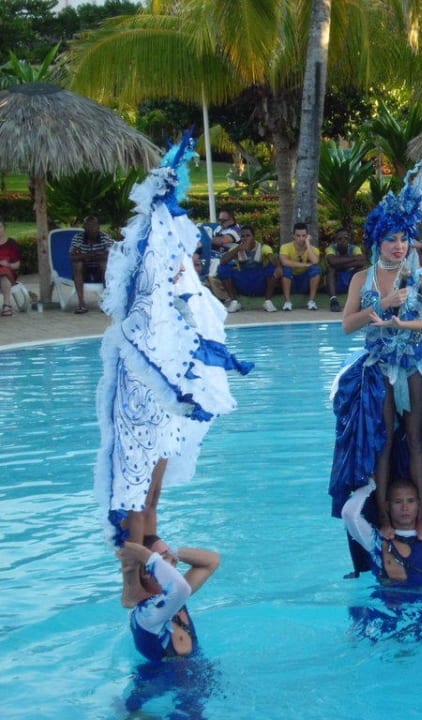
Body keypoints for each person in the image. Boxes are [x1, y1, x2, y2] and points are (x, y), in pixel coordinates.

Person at [94, 137, 251, 605]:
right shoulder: (148, 267)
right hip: (141, 392)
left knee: (152, 491)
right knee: (136, 488)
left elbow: (193, 318)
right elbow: (136, 316)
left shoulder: (176, 281)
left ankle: (147, 555)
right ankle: (131, 579)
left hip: (163, 394)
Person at [328, 154, 422, 574]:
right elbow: (347, 326)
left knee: (415, 439)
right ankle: (384, 515)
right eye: (391, 238)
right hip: (377, 366)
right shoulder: (362, 278)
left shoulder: (420, 275)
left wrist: (403, 321)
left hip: (414, 365)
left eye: (404, 238)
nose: (399, 245)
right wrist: (383, 306)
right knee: (381, 441)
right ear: (377, 240)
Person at [118, 535, 220, 661]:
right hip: (162, 674)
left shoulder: (171, 597)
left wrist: (173, 552)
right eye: (163, 558)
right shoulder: (146, 615)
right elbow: (181, 587)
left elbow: (212, 561)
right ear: (146, 572)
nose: (175, 561)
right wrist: (137, 551)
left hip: (199, 670)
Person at [215, 225, 281, 313]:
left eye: (248, 236)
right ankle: (234, 302)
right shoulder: (236, 248)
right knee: (222, 268)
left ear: (254, 237)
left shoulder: (263, 247)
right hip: (243, 281)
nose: (245, 238)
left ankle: (268, 301)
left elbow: (272, 258)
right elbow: (222, 261)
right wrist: (238, 249)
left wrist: (278, 266)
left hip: (259, 281)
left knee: (273, 267)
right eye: (243, 236)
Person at [69, 215, 113, 314]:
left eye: (93, 226)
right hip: (84, 270)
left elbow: (112, 255)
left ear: (98, 227)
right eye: (88, 226)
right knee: (77, 265)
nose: (91, 228)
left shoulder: (105, 238)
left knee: (104, 264)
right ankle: (81, 303)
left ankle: (107, 301)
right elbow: (73, 257)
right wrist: (95, 254)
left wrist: (84, 255)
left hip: (99, 270)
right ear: (84, 227)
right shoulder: (78, 238)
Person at [278, 222, 321, 311]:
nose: (301, 238)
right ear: (293, 236)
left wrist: (308, 243)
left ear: (307, 236)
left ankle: (311, 301)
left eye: (304, 236)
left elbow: (315, 261)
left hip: (305, 281)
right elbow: (284, 262)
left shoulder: (313, 249)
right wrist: (304, 265)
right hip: (292, 280)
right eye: (298, 236)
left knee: (315, 269)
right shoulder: (285, 247)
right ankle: (287, 302)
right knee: (286, 270)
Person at [324, 228, 367, 312]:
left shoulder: (355, 248)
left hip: (350, 280)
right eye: (340, 239)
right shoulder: (331, 248)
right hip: (336, 282)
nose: (343, 241)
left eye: (346, 238)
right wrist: (354, 259)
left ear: (349, 239)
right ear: (336, 240)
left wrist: (339, 263)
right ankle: (333, 300)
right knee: (330, 269)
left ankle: (357, 300)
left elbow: (362, 261)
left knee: (361, 269)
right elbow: (332, 261)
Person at [0, 219, 22, 317]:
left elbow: (17, 265)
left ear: (4, 228)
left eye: (0, 227)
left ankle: (7, 305)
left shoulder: (11, 243)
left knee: (4, 274)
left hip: (8, 274)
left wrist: (7, 264)